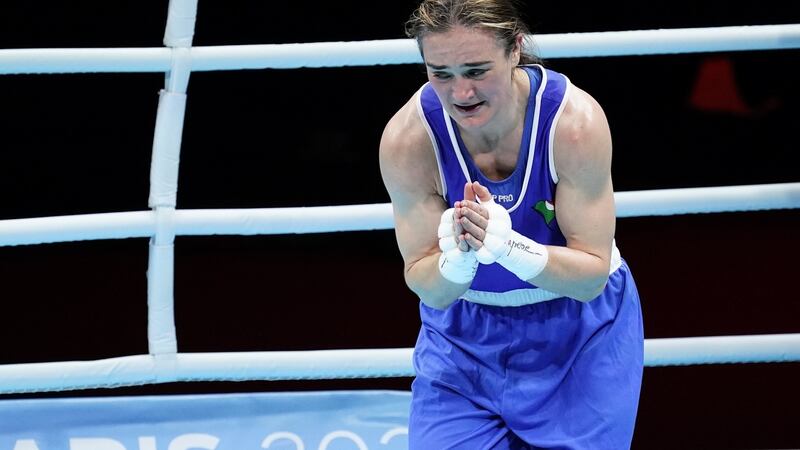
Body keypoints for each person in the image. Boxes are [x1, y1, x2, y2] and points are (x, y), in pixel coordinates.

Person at [378, 0, 644, 448]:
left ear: (516, 49)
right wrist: (458, 263)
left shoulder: (573, 124)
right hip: (463, 339)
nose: (461, 92)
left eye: (476, 71)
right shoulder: (409, 140)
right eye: (441, 73)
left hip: (578, 332)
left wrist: (510, 248)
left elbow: (590, 278)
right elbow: (427, 284)